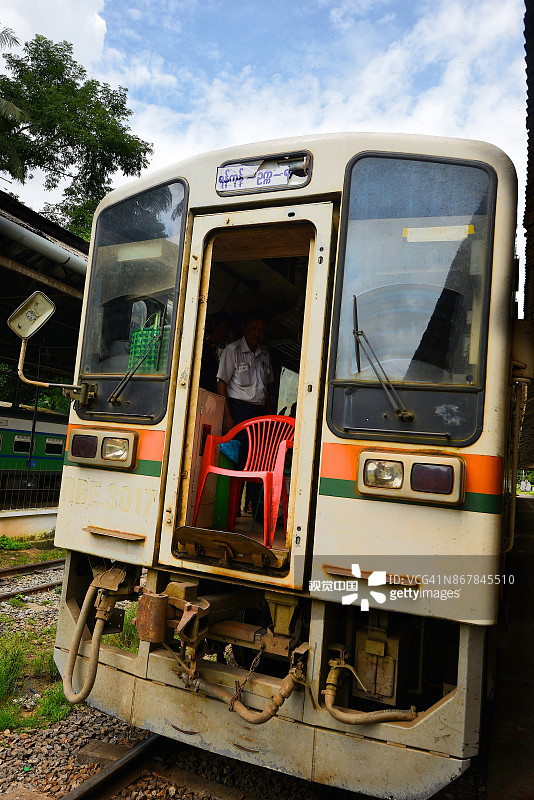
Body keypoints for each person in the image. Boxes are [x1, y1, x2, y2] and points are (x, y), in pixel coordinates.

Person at [216, 308, 273, 433]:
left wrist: (270, 416)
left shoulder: (264, 354)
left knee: (255, 450)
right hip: (238, 411)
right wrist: (227, 417)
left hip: (259, 413)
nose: (257, 333)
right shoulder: (233, 350)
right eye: (253, 328)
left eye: (261, 330)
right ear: (244, 328)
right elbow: (221, 383)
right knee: (236, 450)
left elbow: (267, 388)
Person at [199, 311, 231, 393]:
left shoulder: (213, 348)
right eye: (225, 328)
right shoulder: (205, 349)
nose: (227, 333)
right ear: (214, 326)